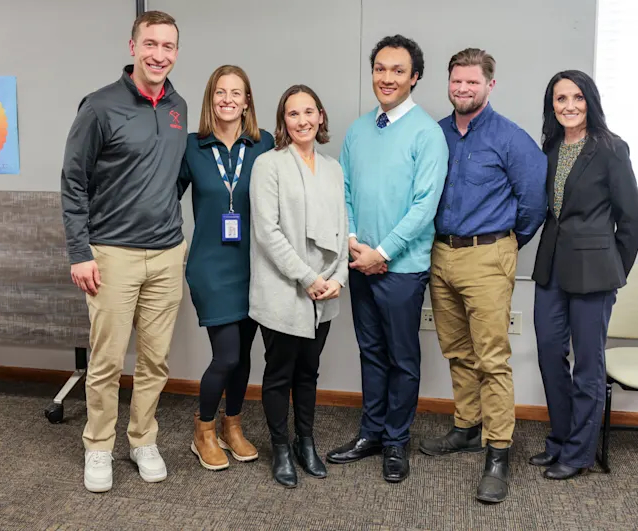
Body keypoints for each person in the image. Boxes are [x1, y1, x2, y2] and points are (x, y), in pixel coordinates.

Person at [61, 11, 187, 493]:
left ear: (177, 52)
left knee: (155, 361)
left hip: (167, 254)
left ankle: (142, 439)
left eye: (169, 46)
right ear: (132, 46)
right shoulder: (99, 106)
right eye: (150, 44)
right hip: (111, 255)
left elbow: (172, 176)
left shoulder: (176, 104)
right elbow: (73, 182)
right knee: (107, 361)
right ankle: (98, 446)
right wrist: (80, 251)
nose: (160, 54)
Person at [420, 48, 547, 503]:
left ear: (490, 85)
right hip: (440, 254)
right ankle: (466, 427)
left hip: (489, 255)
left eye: (472, 82)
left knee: (492, 358)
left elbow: (534, 203)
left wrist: (506, 247)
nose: (462, 89)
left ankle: (498, 451)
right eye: (456, 81)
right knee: (457, 350)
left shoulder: (511, 139)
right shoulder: (435, 135)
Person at [327, 35, 449, 484]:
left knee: (402, 358)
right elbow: (344, 192)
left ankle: (396, 441)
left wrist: (384, 253)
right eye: (380, 68)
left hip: (402, 269)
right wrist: (356, 243)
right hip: (361, 263)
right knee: (371, 353)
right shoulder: (358, 130)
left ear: (415, 77)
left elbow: (425, 205)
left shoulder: (427, 133)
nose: (387, 77)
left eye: (398, 70)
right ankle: (371, 433)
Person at [530, 70, 638, 480]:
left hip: (594, 272)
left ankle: (578, 454)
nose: (569, 106)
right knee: (548, 353)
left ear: (590, 101)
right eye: (560, 99)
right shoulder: (551, 148)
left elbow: (631, 218)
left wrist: (614, 270)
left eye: (577, 97)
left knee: (589, 365)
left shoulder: (611, 149)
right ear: (552, 106)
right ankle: (560, 439)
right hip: (552, 267)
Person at [249, 85, 349, 488]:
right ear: (283, 121)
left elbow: (343, 230)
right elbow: (267, 232)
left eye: (310, 112)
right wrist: (307, 278)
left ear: (321, 116)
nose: (303, 120)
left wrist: (338, 278)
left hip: (325, 292)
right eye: (293, 114)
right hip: (284, 288)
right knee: (279, 374)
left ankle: (305, 441)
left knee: (309, 372)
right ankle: (281, 449)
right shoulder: (269, 165)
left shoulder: (333, 168)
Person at [178, 65, 274, 471]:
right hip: (211, 266)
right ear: (210, 99)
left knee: (246, 355)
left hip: (255, 264)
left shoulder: (264, 144)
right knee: (227, 355)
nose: (228, 100)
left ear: (247, 101)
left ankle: (232, 426)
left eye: (237, 93)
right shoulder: (191, 146)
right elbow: (163, 200)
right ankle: (203, 431)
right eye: (221, 92)